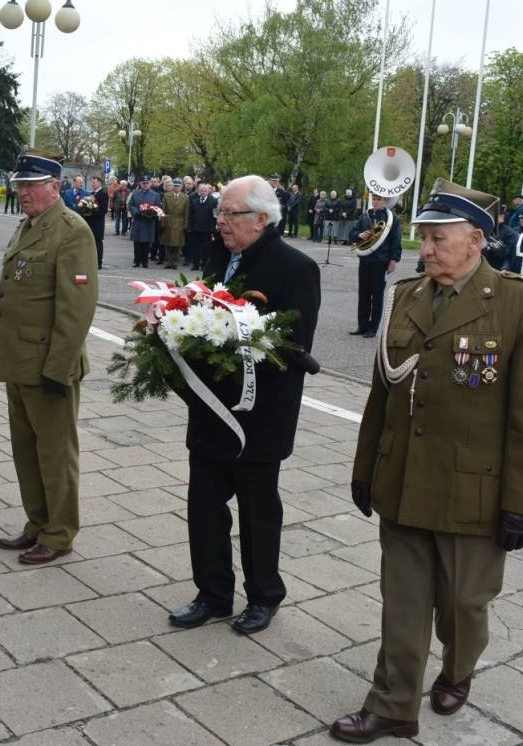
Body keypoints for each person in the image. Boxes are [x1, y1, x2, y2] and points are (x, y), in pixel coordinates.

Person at [332, 182, 523, 744]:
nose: (425, 250)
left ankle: (458, 669)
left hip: (472, 493)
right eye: (424, 238)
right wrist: (365, 467)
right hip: (402, 480)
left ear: (476, 240)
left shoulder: (518, 301)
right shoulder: (407, 294)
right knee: (402, 605)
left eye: (437, 239)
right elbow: (382, 391)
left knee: (463, 607)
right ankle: (393, 706)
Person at [167, 174, 320, 636]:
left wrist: (236, 340)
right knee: (204, 505)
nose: (220, 223)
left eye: (229, 214)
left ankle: (263, 596)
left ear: (260, 218)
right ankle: (212, 593)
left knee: (258, 510)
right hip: (212, 409)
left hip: (261, 416)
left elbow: (293, 345)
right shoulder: (222, 255)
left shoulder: (294, 267)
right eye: (219, 214)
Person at [0, 152, 99, 565]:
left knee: (55, 454)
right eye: (19, 185)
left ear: (55, 186)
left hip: (49, 365)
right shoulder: (29, 226)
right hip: (19, 360)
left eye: (30, 185)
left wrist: (58, 368)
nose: (22, 192)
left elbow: (77, 309)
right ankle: (37, 523)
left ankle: (60, 532)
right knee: (27, 450)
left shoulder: (72, 231)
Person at [349, 193, 402, 338]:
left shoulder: (392, 219)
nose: (375, 201)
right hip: (365, 259)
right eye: (374, 199)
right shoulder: (365, 216)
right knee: (363, 294)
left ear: (385, 201)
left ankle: (373, 328)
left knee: (377, 296)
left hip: (381, 261)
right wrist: (359, 235)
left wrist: (393, 260)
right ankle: (362, 325)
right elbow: (351, 234)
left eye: (379, 199)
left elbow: (396, 241)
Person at [129, 175, 161, 268]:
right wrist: (136, 212)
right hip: (138, 220)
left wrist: (151, 213)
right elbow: (131, 205)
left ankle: (145, 262)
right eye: (144, 183)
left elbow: (158, 207)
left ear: (150, 184)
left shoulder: (155, 195)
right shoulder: (135, 193)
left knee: (146, 243)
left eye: (147, 183)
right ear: (140, 183)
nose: (145, 185)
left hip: (148, 221)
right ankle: (137, 261)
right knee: (137, 242)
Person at [187, 181, 218, 271]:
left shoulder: (213, 201)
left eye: (205, 190)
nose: (203, 192)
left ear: (208, 191)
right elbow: (191, 215)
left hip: (207, 230)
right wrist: (190, 227)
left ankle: (204, 265)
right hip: (195, 229)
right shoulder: (194, 201)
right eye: (201, 190)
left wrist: (212, 229)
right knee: (195, 248)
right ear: (199, 191)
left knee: (205, 248)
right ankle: (195, 265)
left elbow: (214, 216)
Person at [160, 177, 189, 269]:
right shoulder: (166, 196)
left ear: (181, 187)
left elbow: (187, 213)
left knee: (178, 244)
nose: (176, 188)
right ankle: (169, 262)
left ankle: (174, 262)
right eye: (175, 186)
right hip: (168, 221)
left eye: (178, 186)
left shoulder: (185, 197)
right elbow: (163, 211)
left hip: (179, 222)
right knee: (167, 243)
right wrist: (163, 223)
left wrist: (185, 224)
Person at [84, 175, 107, 268]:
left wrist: (93, 210)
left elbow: (103, 210)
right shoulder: (92, 194)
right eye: (92, 182)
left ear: (99, 183)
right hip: (90, 222)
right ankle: (91, 261)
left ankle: (98, 263)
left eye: (94, 182)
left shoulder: (103, 194)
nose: (92, 184)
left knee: (97, 243)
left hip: (98, 223)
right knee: (90, 243)